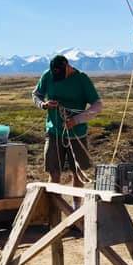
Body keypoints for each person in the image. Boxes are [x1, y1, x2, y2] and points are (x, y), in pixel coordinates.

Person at [32, 55, 103, 188]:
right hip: (54, 132)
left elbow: (98, 105)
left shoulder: (82, 79)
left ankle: (77, 207)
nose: (57, 78)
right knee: (53, 172)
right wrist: (44, 104)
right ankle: (53, 207)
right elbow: (36, 94)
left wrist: (77, 120)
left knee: (78, 173)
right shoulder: (47, 75)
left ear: (68, 67)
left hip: (77, 133)